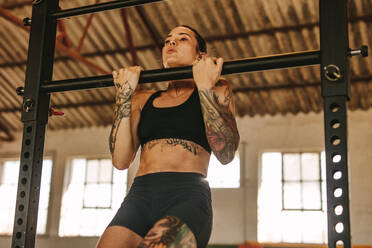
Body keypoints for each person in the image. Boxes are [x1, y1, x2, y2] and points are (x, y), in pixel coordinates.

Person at [96, 25, 240, 248]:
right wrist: (123, 96)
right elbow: (121, 161)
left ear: (200, 55)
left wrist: (204, 87)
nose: (171, 43)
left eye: (182, 39)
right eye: (167, 40)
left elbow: (226, 153)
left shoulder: (217, 89)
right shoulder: (142, 99)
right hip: (139, 196)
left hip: (187, 196)